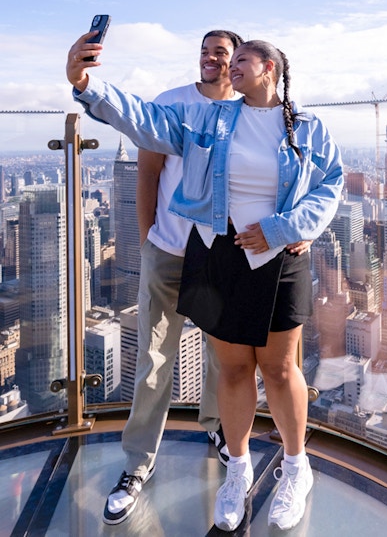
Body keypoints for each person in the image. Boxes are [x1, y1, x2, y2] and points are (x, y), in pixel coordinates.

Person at [66, 35, 344, 532]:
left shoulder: (308, 125)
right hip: (220, 257)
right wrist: (88, 85)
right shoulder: (211, 120)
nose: (230, 68)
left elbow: (331, 184)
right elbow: (149, 121)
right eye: (228, 59)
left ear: (271, 69)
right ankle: (237, 472)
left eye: (242, 60)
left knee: (279, 371)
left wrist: (288, 228)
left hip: (279, 259)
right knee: (233, 372)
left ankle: (295, 468)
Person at [103, 29, 244, 526]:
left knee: (219, 352)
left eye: (220, 53)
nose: (209, 59)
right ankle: (138, 463)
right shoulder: (171, 103)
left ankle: (218, 430)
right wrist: (147, 241)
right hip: (166, 250)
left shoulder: (245, 112)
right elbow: (147, 174)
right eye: (205, 51)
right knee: (154, 358)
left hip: (216, 255)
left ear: (238, 61)